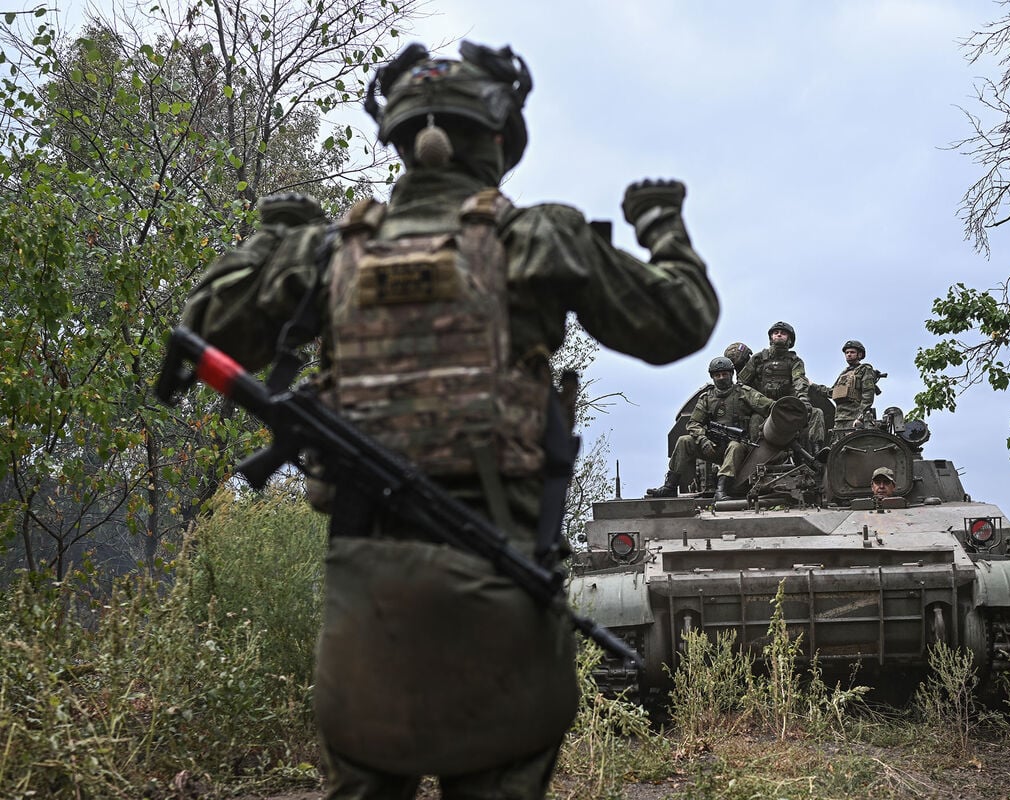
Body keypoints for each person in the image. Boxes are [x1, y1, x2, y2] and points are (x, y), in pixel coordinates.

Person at [180, 40, 718, 800]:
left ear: (400, 140)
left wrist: (273, 244)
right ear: (499, 140)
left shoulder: (328, 253)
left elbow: (203, 327)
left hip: (367, 601)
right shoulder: (536, 238)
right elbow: (679, 321)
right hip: (504, 590)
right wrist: (663, 225)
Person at [646, 356, 773, 501]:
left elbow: (769, 406)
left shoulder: (745, 393)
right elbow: (693, 423)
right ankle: (670, 486)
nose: (721, 378)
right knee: (684, 441)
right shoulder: (707, 398)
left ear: (731, 374)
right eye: (717, 375)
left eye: (724, 374)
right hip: (714, 446)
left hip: (742, 450)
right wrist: (703, 440)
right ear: (712, 377)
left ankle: (722, 489)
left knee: (734, 446)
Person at [737, 321, 817, 458]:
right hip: (762, 409)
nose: (779, 334)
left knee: (816, 414)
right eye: (776, 333)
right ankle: (755, 458)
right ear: (771, 338)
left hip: (787, 409)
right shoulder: (758, 359)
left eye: (783, 333)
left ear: (789, 339)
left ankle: (811, 455)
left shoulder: (794, 361)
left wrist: (803, 400)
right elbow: (741, 384)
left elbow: (799, 380)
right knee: (755, 420)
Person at [826, 339, 879, 429]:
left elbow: (868, 395)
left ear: (860, 354)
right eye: (847, 353)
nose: (849, 354)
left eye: (852, 352)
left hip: (854, 418)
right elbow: (832, 392)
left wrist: (860, 417)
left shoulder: (865, 369)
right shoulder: (844, 373)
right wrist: (812, 385)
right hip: (839, 419)